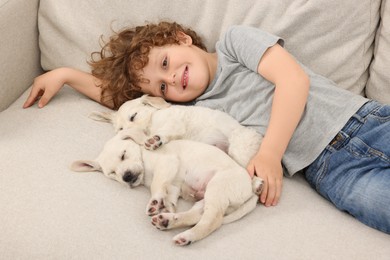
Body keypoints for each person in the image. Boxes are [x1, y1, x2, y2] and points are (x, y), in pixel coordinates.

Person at [23, 21, 390, 234]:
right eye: (162, 87)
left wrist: (270, 152)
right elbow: (124, 104)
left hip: (364, 122)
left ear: (182, 38)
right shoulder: (197, 110)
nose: (171, 79)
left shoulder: (233, 44)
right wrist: (67, 75)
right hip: (331, 172)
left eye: (166, 62)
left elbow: (293, 80)